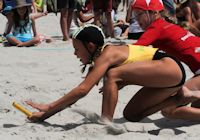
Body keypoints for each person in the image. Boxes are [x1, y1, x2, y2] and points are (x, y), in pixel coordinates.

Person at [25, 24, 185, 122]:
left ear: (90, 46)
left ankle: (105, 122)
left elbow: (83, 90)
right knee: (132, 115)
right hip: (168, 79)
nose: (75, 54)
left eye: (77, 49)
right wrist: (45, 115)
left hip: (170, 67)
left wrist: (49, 106)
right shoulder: (100, 58)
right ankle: (178, 98)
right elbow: (78, 93)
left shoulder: (107, 54)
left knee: (112, 75)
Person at [124, 0, 200, 121]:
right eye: (134, 15)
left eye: (139, 14)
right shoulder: (167, 25)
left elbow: (132, 51)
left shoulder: (156, 27)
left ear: (153, 13)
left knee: (168, 110)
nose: (136, 19)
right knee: (195, 106)